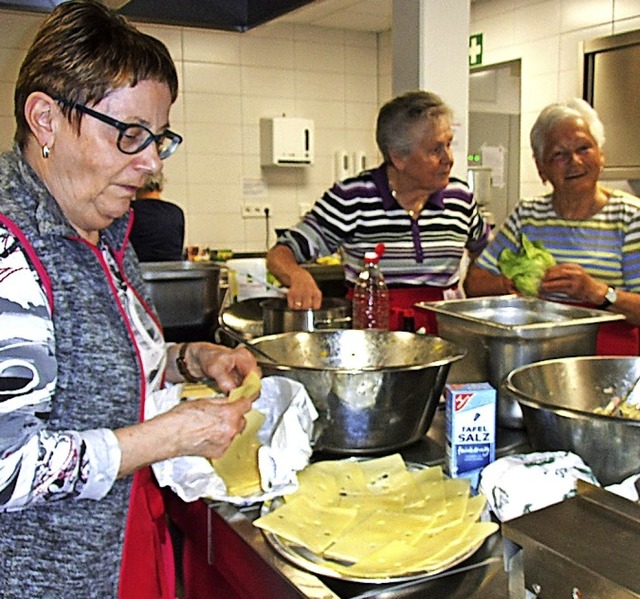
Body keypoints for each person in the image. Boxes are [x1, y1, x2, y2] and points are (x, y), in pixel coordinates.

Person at [0, 2, 260, 598]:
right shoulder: (9, 248)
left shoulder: (102, 226)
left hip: (120, 540)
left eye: (158, 138)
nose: (149, 163)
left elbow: (95, 364)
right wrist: (167, 436)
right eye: (129, 135)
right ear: (45, 119)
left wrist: (189, 358)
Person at [266, 90, 491, 331]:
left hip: (446, 337)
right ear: (398, 158)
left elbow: (488, 255)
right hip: (374, 336)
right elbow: (280, 254)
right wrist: (298, 276)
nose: (449, 159)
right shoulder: (352, 198)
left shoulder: (461, 198)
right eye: (435, 150)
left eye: (448, 145)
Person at [464, 98, 640, 354]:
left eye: (584, 148)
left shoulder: (630, 217)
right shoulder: (527, 215)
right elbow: (476, 283)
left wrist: (598, 292)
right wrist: (516, 282)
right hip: (538, 355)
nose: (575, 161)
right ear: (541, 168)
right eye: (559, 154)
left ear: (601, 156)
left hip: (607, 361)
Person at [130, 169, 186, 261]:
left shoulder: (129, 210)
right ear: (161, 187)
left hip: (140, 271)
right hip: (173, 271)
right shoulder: (176, 211)